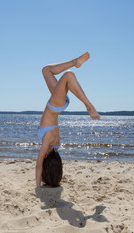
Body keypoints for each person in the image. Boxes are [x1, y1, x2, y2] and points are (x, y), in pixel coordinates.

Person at [36, 52, 100, 188]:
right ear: (46, 157)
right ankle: (89, 106)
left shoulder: (56, 145)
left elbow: (42, 163)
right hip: (55, 105)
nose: (42, 154)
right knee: (68, 75)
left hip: (57, 103)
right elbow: (38, 165)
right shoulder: (48, 141)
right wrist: (37, 186)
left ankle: (74, 61)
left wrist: (48, 178)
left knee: (46, 70)